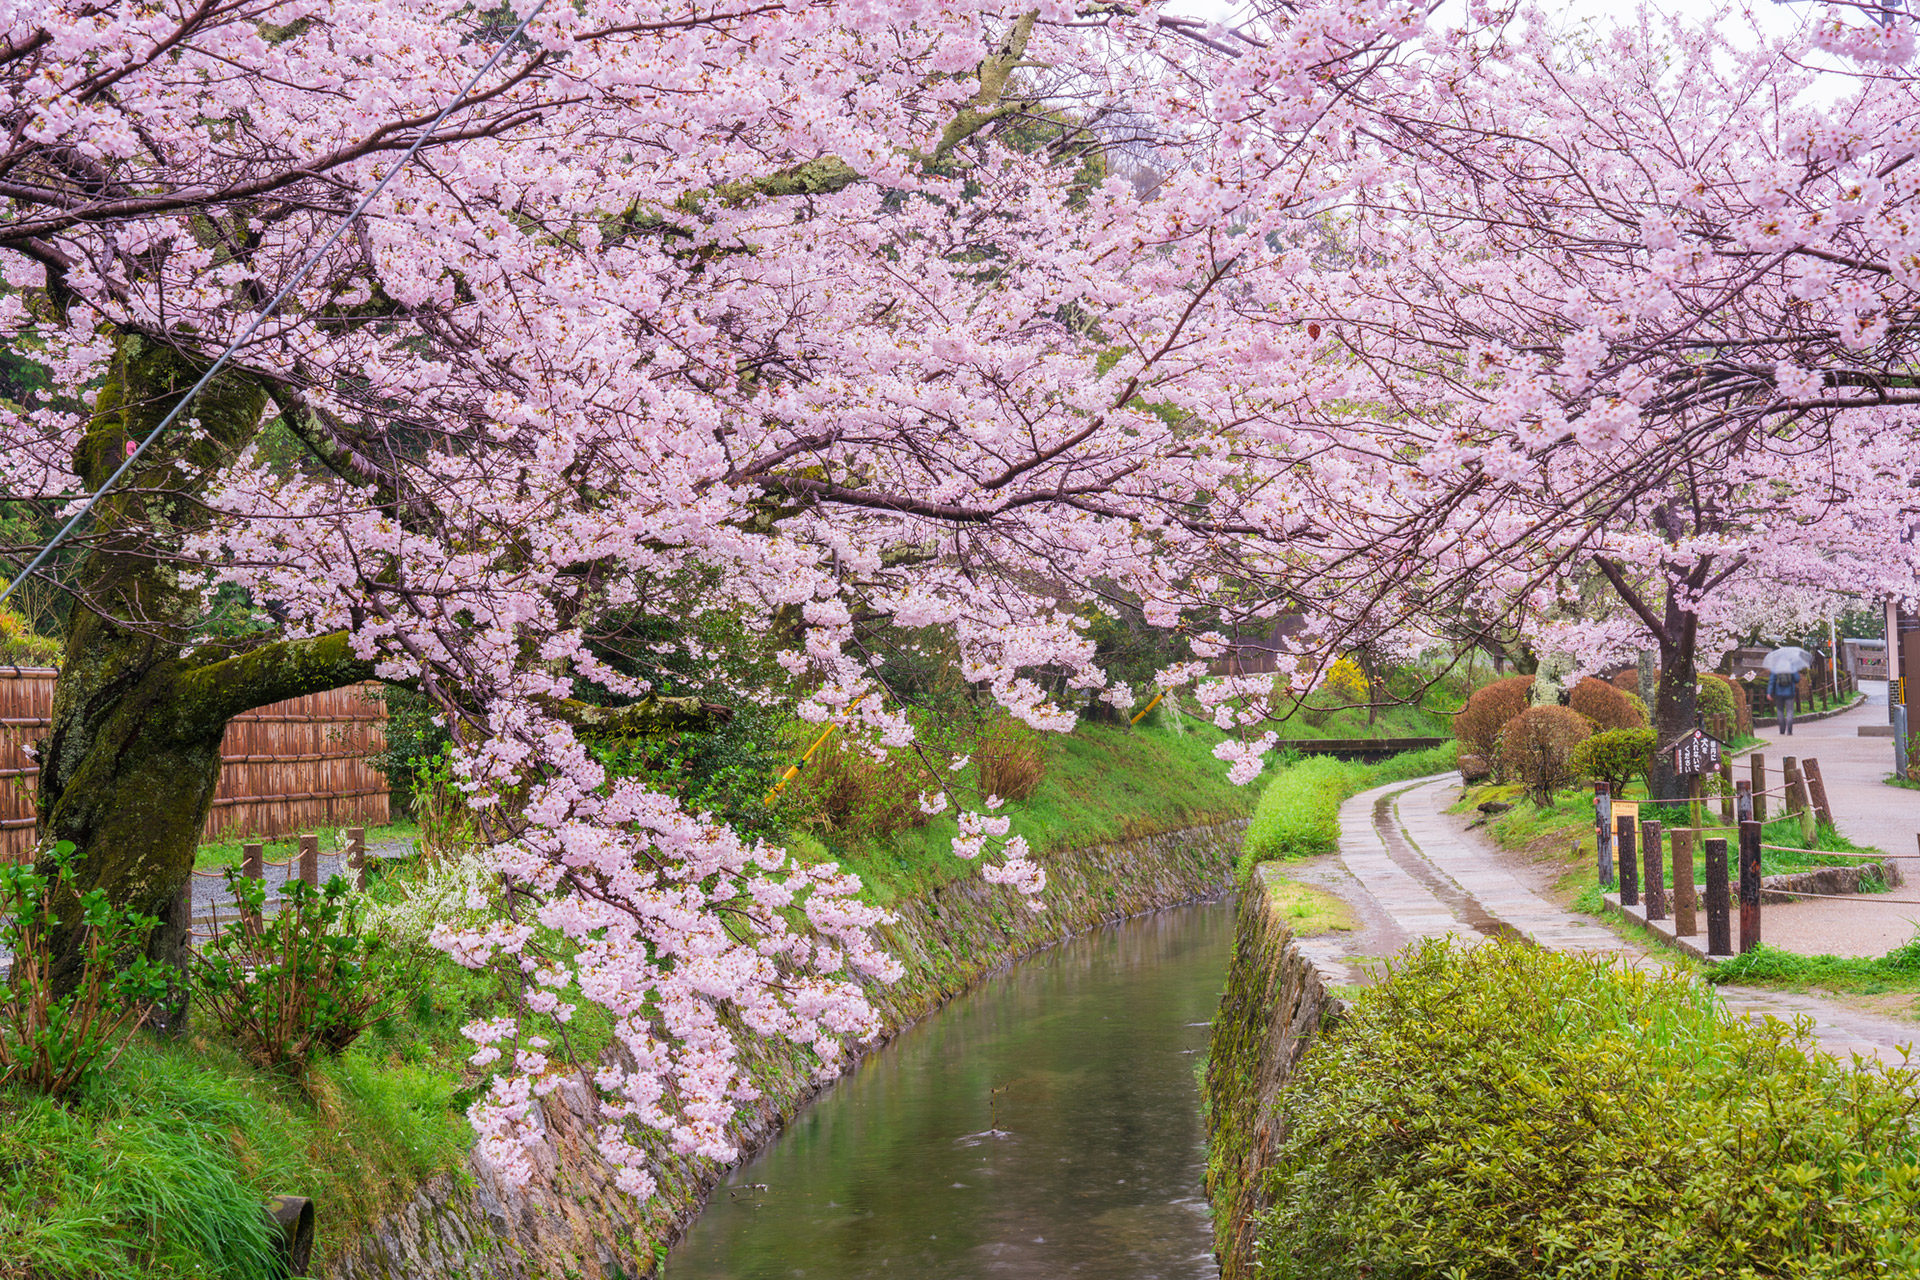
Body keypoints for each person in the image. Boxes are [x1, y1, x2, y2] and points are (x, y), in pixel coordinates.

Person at [1767, 668, 1799, 735]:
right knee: (1789, 711)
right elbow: (1797, 679)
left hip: (1778, 693)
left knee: (1780, 710)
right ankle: (1789, 731)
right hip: (1790, 693)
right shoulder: (1791, 667)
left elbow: (1771, 681)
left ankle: (1782, 730)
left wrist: (1769, 693)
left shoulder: (1775, 668)